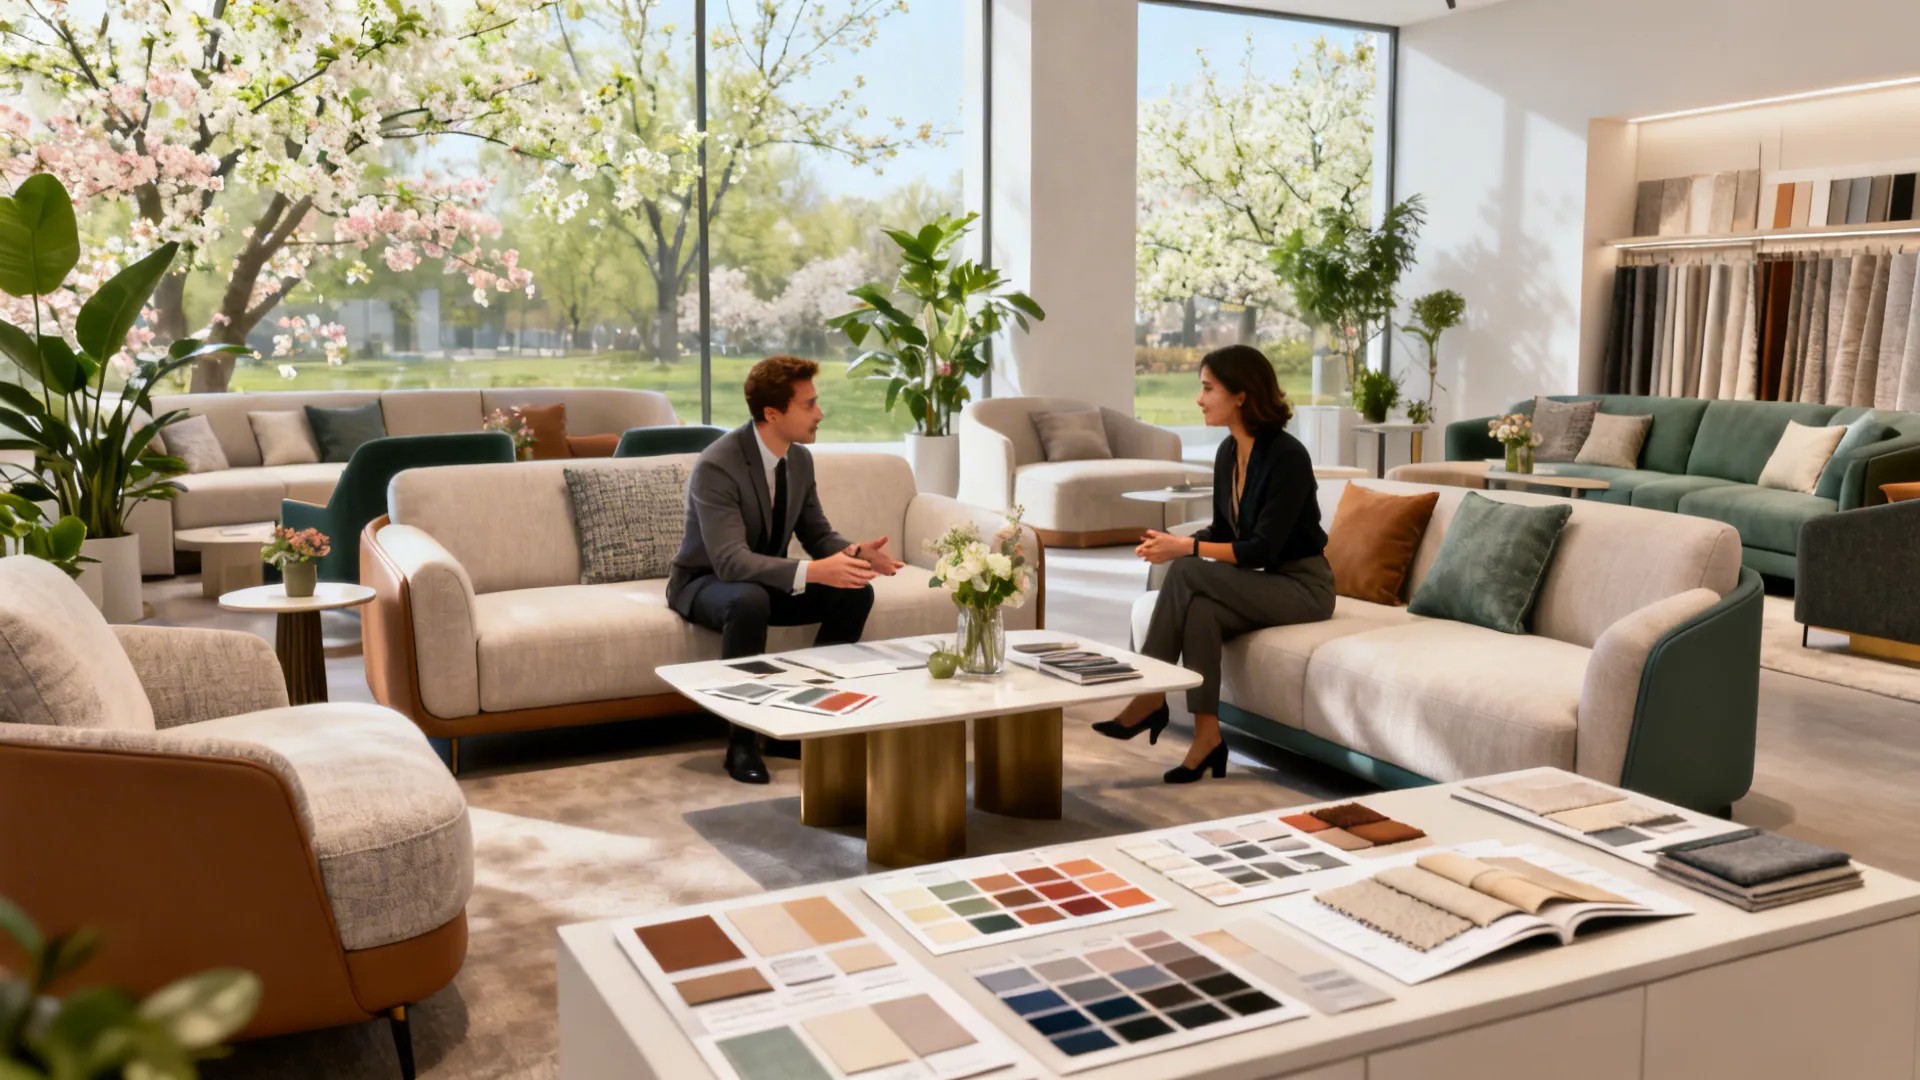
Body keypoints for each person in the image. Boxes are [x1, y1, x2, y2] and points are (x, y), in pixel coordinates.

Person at [1093, 344, 1334, 783]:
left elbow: (1260, 549)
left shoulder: (1287, 457)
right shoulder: (1227, 454)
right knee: (1201, 610)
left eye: (1208, 388)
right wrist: (1174, 541)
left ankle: (1150, 694)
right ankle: (1208, 737)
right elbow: (1225, 531)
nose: (1199, 399)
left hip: (1304, 588)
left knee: (1186, 569)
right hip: (1265, 583)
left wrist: (1184, 550)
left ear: (1242, 394)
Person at [667, 355, 904, 784]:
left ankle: (802, 717)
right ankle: (742, 742)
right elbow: (730, 561)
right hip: (707, 583)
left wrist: (855, 553)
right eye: (809, 404)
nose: (820, 413)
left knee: (855, 590)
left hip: (765, 580)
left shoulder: (798, 459)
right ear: (772, 413)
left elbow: (817, 534)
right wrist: (814, 572)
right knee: (748, 600)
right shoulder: (718, 465)